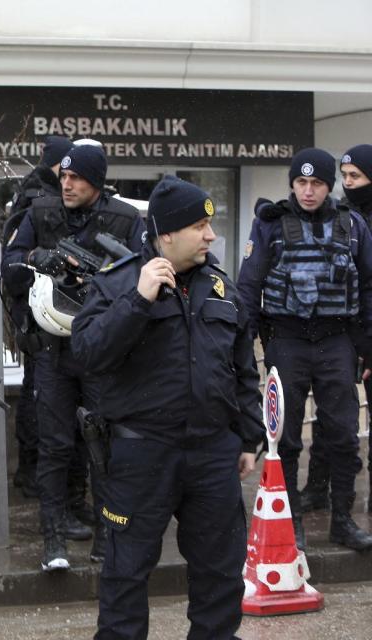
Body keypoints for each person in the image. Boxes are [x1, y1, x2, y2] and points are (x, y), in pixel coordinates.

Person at [72, 175, 262, 639]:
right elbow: (88, 354)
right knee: (126, 574)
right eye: (200, 226)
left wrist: (247, 436)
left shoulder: (221, 287)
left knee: (220, 574)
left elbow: (243, 370)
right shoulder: (119, 283)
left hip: (212, 452)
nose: (211, 236)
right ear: (168, 233)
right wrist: (138, 299)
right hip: (142, 454)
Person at [3, 144, 144, 570]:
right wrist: (35, 258)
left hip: (102, 350)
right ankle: (54, 541)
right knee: (54, 444)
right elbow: (9, 263)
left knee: (103, 444)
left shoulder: (124, 218)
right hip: (53, 346)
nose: (67, 184)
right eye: (63, 177)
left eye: (76, 178)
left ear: (96, 182)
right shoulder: (41, 213)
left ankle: (106, 535)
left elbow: (142, 273)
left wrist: (102, 279)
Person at [237, 147, 372, 551]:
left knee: (343, 435)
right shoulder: (270, 224)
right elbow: (250, 286)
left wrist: (367, 346)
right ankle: (290, 519)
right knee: (286, 437)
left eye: (316, 184)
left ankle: (342, 519)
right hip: (288, 338)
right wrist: (245, 342)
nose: (308, 191)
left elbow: (367, 287)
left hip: (336, 340)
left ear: (328, 186)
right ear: (292, 184)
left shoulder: (353, 225)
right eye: (301, 183)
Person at [299, 143, 372, 515]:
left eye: (355, 177)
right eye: (344, 176)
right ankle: (316, 487)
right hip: (341, 334)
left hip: (365, 334)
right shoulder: (339, 217)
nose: (348, 183)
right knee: (332, 419)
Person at [1, 135, 73, 500]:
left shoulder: (35, 192)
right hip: (39, 314)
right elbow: (13, 262)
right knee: (37, 396)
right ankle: (31, 470)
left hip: (50, 313)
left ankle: (36, 472)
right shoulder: (37, 201)